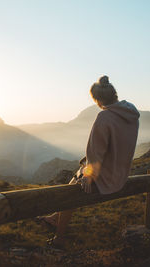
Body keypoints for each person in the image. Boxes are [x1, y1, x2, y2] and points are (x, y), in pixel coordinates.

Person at [38, 75, 140, 247]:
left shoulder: (105, 117)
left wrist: (88, 176)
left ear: (98, 99)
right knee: (77, 175)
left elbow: (95, 152)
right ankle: (55, 218)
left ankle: (60, 238)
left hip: (107, 177)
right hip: (121, 173)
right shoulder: (131, 113)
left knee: (71, 191)